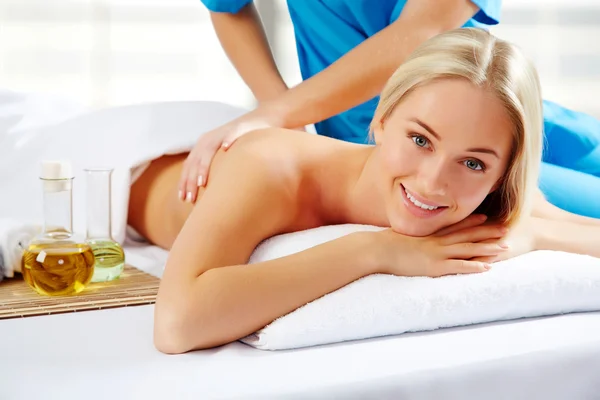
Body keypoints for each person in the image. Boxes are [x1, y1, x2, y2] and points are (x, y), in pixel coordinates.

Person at [126, 28, 600, 354]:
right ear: (381, 119)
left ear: (503, 175)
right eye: (420, 140)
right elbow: (177, 324)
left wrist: (530, 235)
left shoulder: (492, 197)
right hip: (129, 164)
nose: (433, 182)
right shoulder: (270, 167)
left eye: (473, 163)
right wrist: (373, 250)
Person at [180, 0, 600, 219]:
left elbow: (424, 27)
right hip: (389, 143)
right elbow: (227, 6)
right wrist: (280, 116)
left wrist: (278, 115)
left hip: (505, 116)